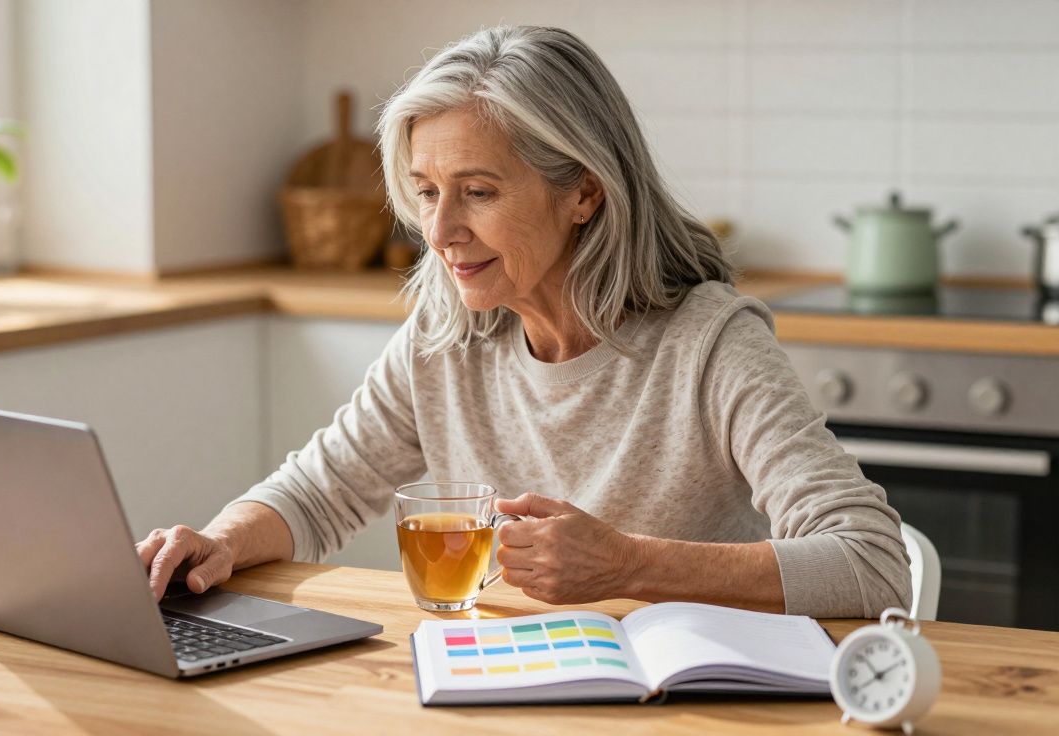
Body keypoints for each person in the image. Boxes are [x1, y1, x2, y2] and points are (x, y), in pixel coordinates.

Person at [136, 25, 910, 618]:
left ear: (584, 192)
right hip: (519, 681)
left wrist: (630, 564)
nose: (439, 234)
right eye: (426, 192)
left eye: (477, 191)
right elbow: (319, 492)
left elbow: (872, 565)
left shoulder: (711, 344)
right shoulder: (449, 333)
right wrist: (221, 542)